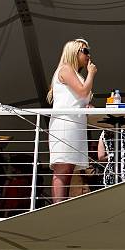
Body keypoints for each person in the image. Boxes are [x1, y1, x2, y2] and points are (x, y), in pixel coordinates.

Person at [47, 38, 96, 203]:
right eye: (85, 51)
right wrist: (91, 74)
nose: (88, 55)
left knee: (69, 168)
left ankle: (61, 206)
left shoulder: (76, 74)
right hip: (65, 123)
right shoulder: (66, 69)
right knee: (63, 167)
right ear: (74, 52)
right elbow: (82, 92)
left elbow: (80, 97)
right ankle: (57, 208)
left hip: (76, 124)